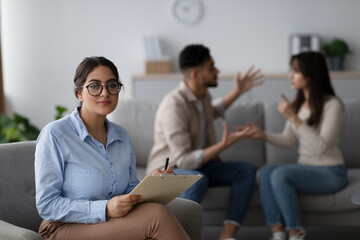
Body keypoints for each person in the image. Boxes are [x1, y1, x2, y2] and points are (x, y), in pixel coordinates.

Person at [35, 56, 190, 240]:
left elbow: (128, 191)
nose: (104, 93)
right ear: (79, 93)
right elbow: (47, 205)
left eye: (111, 85)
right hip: (62, 228)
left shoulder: (121, 136)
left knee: (155, 212)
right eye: (94, 86)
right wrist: (105, 208)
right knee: (156, 217)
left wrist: (151, 185)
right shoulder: (55, 135)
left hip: (109, 224)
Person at [146, 44, 263, 240]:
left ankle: (227, 234)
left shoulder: (203, 96)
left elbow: (214, 110)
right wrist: (223, 145)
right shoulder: (174, 106)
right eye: (211, 67)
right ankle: (178, 236)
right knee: (197, 178)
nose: (217, 71)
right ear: (195, 75)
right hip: (170, 169)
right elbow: (183, 160)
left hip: (201, 165)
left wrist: (238, 91)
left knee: (246, 170)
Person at [241, 51, 348, 240]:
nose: (290, 76)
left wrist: (293, 117)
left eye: (296, 71)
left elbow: (321, 146)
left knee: (281, 174)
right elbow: (288, 139)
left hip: (331, 172)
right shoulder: (297, 104)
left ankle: (295, 233)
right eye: (291, 70)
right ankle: (278, 233)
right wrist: (262, 135)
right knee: (266, 171)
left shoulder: (333, 104)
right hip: (305, 167)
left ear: (311, 73)